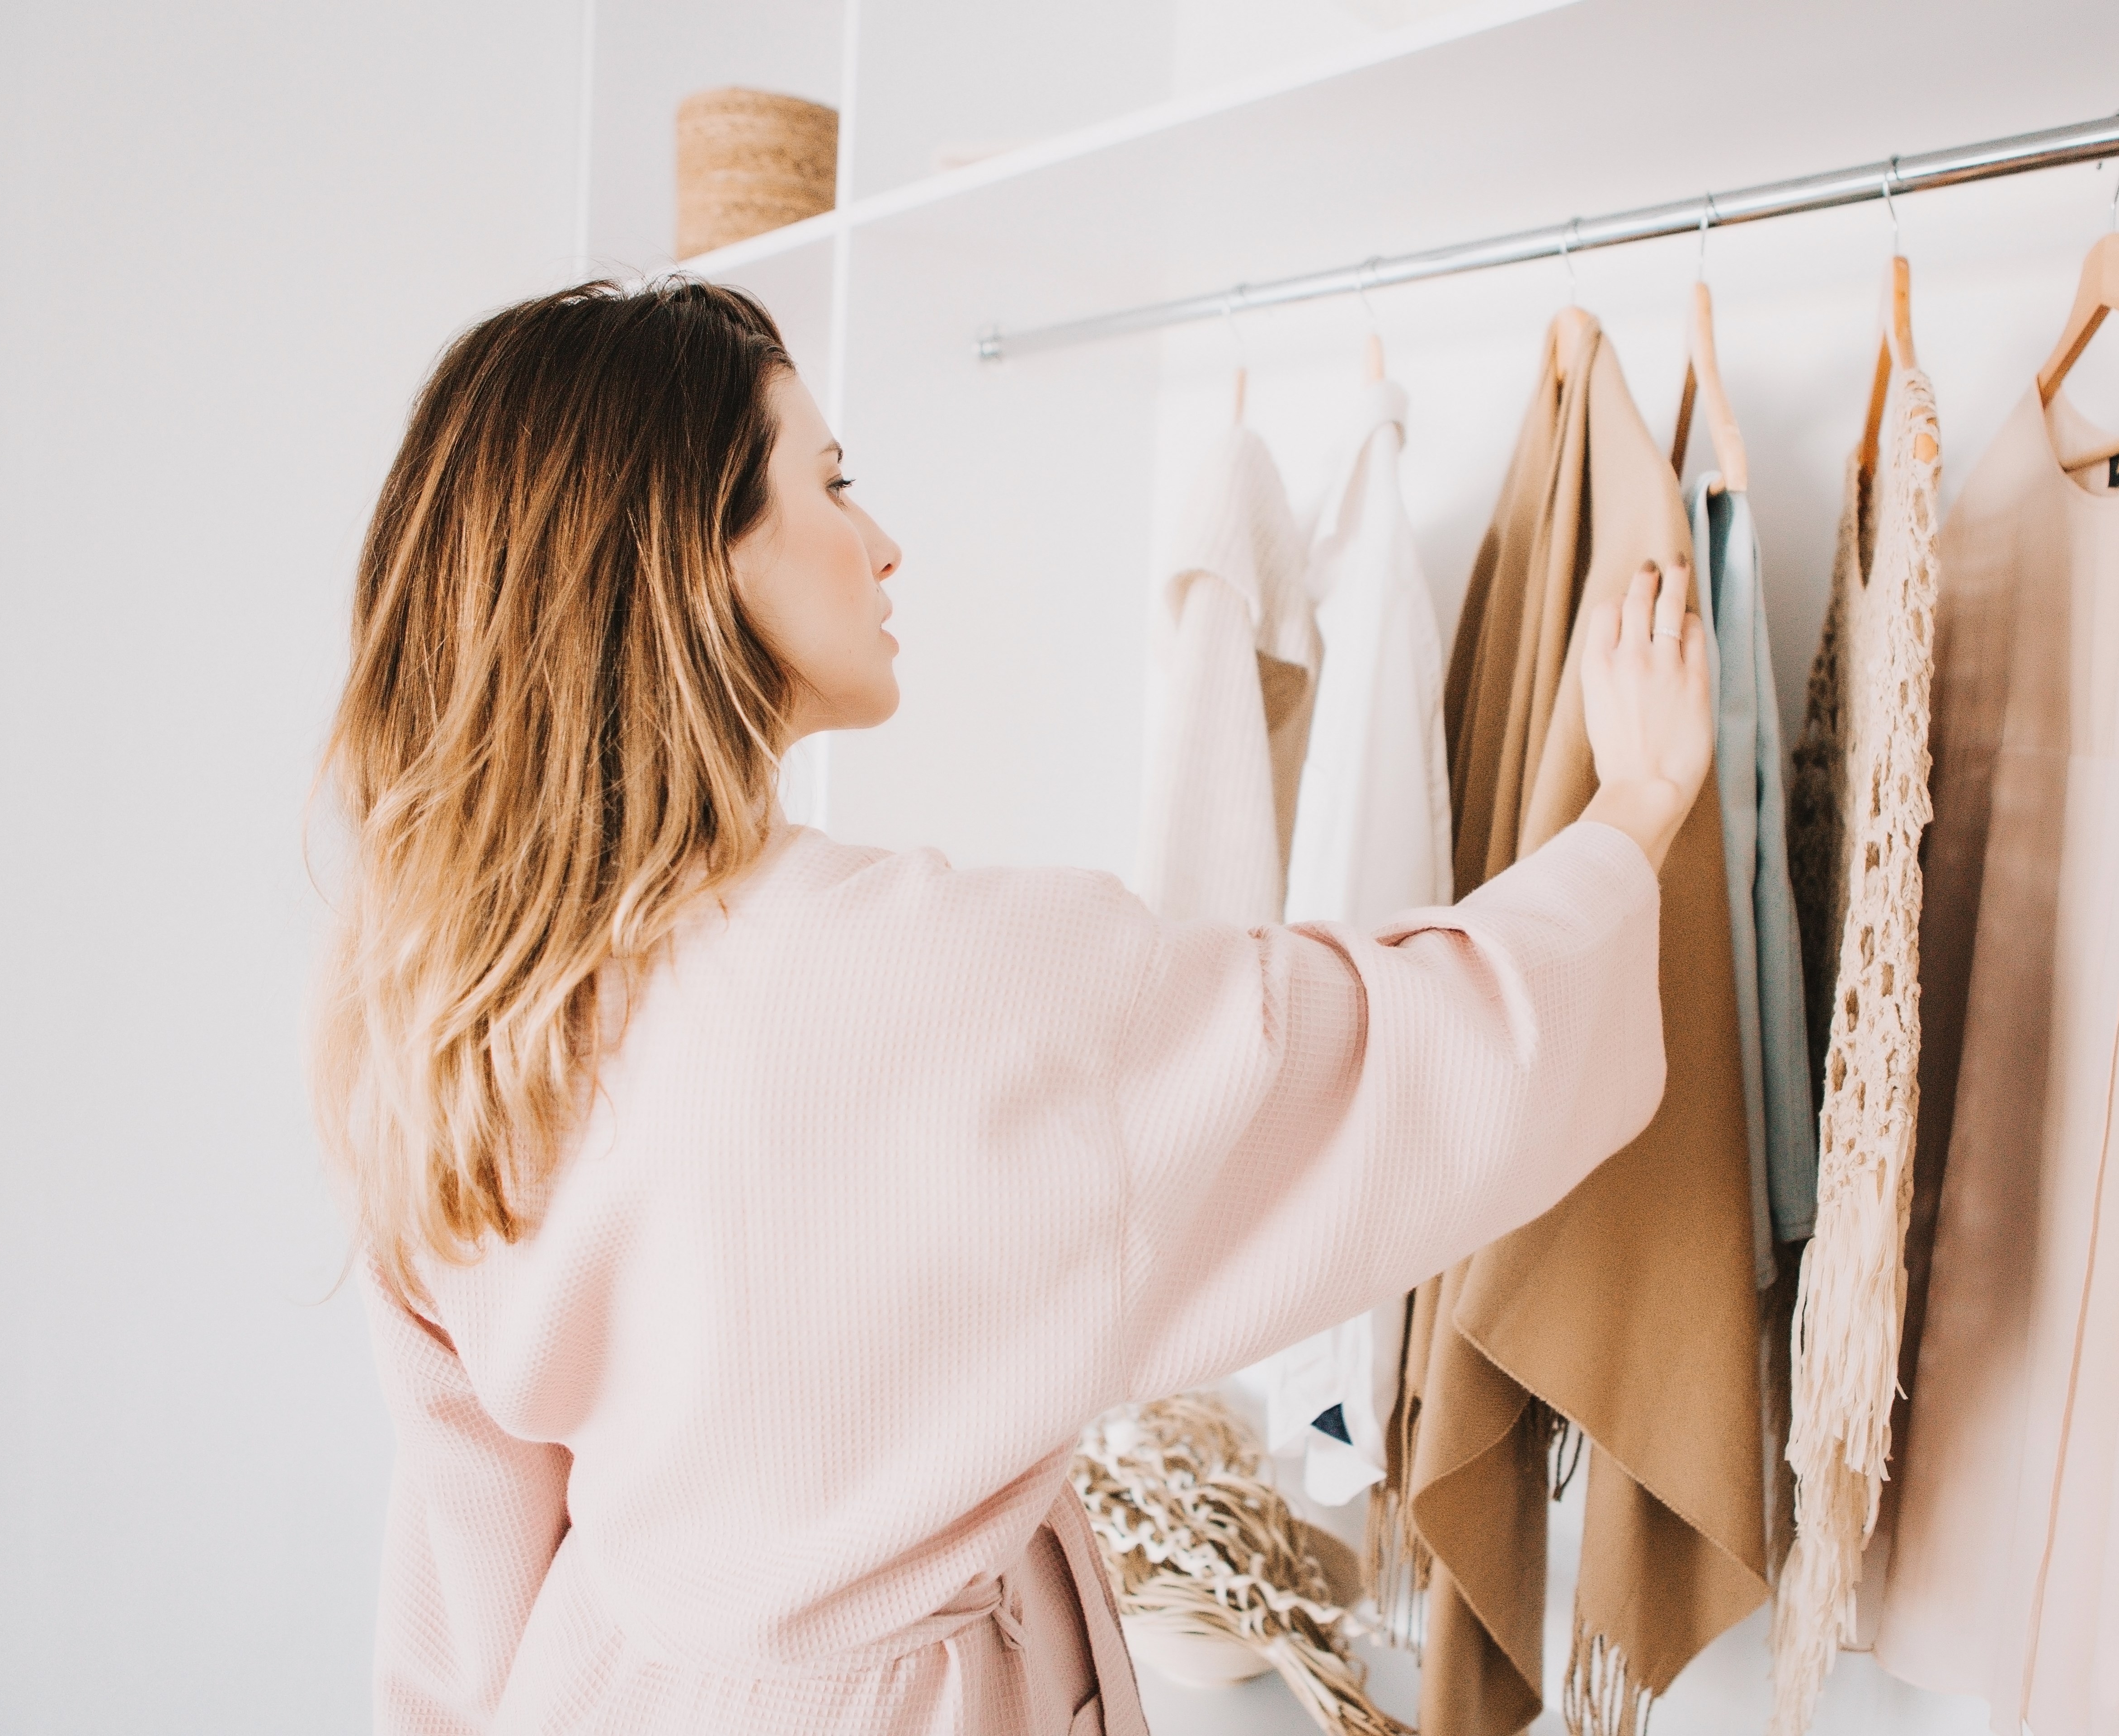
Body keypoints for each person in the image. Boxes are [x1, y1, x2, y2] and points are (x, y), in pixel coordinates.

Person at [316, 278, 1713, 1736]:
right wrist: (1637, 804)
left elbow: (466, 1545)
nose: (882, 541)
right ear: (692, 557)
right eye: (833, 482)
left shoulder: (452, 1004)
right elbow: (1411, 1060)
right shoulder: (963, 980)